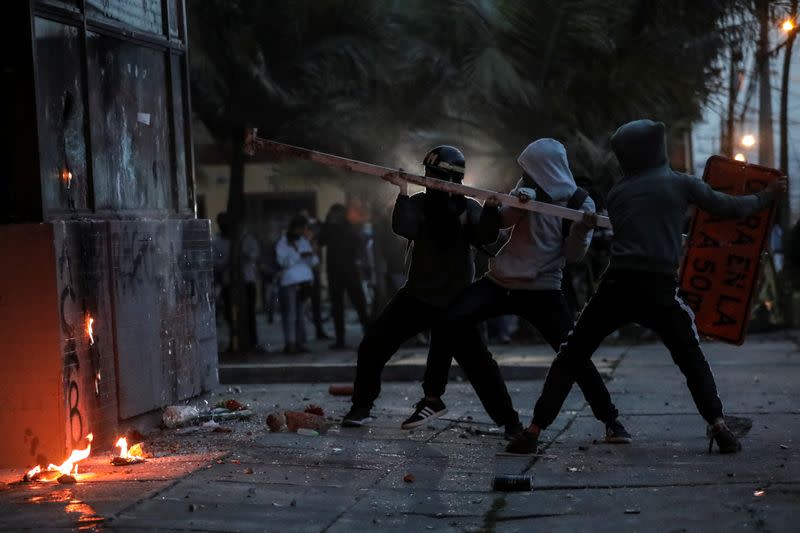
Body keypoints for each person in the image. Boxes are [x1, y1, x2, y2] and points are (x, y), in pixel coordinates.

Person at [506, 119, 786, 455]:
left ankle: (534, 430)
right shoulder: (681, 184)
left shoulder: (619, 193)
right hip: (659, 288)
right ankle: (719, 426)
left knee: (571, 355)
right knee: (690, 357)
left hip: (616, 285)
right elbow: (730, 208)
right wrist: (767, 196)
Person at [405, 139, 630, 443]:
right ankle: (433, 398)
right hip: (501, 281)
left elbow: (574, 255)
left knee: (573, 354)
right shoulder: (526, 188)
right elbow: (502, 223)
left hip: (543, 289)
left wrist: (582, 229)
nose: (526, 176)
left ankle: (611, 420)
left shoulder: (580, 203)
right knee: (448, 318)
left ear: (545, 168)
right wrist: (513, 203)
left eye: (531, 170)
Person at [341, 145, 522, 437]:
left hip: (456, 302)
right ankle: (361, 406)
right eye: (428, 174)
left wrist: (490, 210)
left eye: (435, 175)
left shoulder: (468, 208)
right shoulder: (421, 204)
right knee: (374, 345)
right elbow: (404, 226)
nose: (430, 179)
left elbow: (488, 238)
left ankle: (510, 424)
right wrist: (401, 191)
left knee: (480, 366)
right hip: (418, 295)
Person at [319, 203, 369, 349]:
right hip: (345, 272)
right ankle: (343, 339)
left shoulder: (338, 227)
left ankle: (342, 340)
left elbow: (321, 240)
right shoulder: (346, 227)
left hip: (341, 272)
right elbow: (322, 240)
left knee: (350, 306)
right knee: (354, 306)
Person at [275, 215, 319, 354]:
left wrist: (311, 251)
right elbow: (282, 262)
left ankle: (299, 342)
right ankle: (290, 343)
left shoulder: (304, 241)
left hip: (304, 280)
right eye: (302, 228)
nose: (304, 231)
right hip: (290, 281)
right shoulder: (283, 242)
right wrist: (298, 254)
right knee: (290, 314)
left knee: (300, 314)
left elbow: (313, 262)